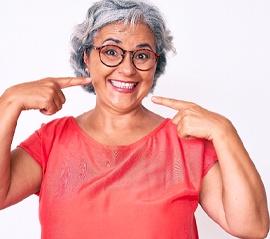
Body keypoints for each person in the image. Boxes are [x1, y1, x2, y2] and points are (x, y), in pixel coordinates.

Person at [0, 0, 269, 238]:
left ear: (155, 65)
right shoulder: (51, 142)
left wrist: (224, 131)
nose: (127, 69)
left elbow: (252, 227)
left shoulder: (187, 145)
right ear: (86, 56)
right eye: (111, 51)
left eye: (141, 55)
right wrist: (8, 103)